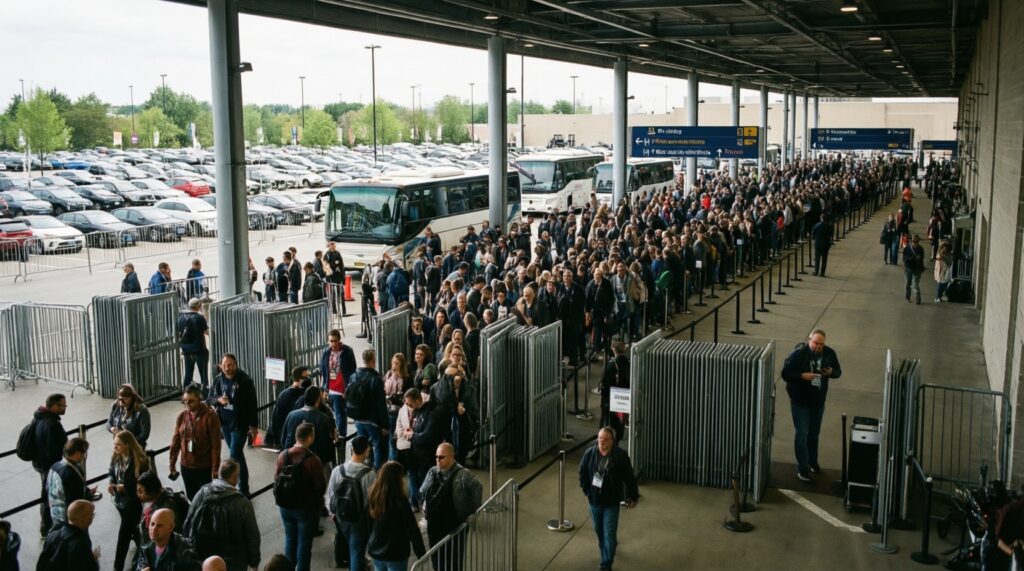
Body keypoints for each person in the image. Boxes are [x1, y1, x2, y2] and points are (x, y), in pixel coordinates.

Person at [781, 329, 843, 481]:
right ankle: (802, 469)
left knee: (814, 434)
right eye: (816, 343)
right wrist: (802, 376)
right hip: (800, 402)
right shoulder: (798, 354)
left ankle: (812, 462)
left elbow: (838, 372)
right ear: (809, 340)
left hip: (818, 402)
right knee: (802, 435)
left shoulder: (829, 353)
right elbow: (785, 374)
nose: (818, 347)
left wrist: (831, 372)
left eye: (821, 344)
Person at [578, 427, 639, 571]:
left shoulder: (620, 456)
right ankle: (608, 549)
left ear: (613, 441)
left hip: (611, 502)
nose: (602, 441)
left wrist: (633, 496)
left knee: (609, 534)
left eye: (606, 439)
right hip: (594, 501)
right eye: (600, 438)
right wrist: (587, 492)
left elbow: (629, 479)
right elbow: (582, 473)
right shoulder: (590, 453)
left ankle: (606, 564)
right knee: (599, 532)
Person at [183, 460, 261, 571]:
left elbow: (188, 521)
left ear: (219, 474)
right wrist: (254, 561)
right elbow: (252, 536)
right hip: (234, 563)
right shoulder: (242, 503)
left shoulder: (202, 493)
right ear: (234, 478)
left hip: (206, 560)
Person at [420, 443, 482, 571]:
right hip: (435, 526)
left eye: (441, 457)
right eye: (436, 457)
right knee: (437, 559)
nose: (438, 460)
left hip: (455, 526)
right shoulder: (432, 472)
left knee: (454, 560)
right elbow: (422, 491)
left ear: (451, 457)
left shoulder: (463, 475)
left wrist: (471, 511)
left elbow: (477, 487)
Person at [274, 422, 327, 571]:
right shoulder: (313, 460)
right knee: (304, 543)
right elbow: (320, 486)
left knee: (290, 538)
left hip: (285, 505)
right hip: (305, 507)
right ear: (309, 438)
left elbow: (276, 478)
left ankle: (288, 568)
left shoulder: (283, 455)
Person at [207, 354, 258, 495]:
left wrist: (254, 426)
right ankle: (244, 486)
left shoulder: (245, 381)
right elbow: (209, 398)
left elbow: (252, 404)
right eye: (224, 365)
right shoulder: (218, 379)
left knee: (234, 456)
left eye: (229, 365)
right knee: (238, 456)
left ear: (235, 364)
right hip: (225, 424)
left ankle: (235, 488)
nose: (227, 368)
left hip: (240, 425)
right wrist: (219, 400)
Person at [367, 461, 426, 570]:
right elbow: (412, 529)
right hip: (397, 552)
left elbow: (369, 522)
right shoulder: (401, 502)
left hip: (377, 550)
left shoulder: (373, 495)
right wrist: (421, 553)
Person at [328, 436, 376, 571]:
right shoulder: (370, 474)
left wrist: (334, 514)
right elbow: (372, 500)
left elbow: (330, 494)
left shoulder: (337, 470)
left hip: (341, 517)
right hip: (359, 520)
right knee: (356, 552)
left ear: (352, 449)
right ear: (366, 450)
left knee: (350, 546)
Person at [169, 384, 222, 500]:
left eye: (191, 401)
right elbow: (175, 442)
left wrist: (215, 470)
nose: (187, 404)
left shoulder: (210, 417)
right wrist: (172, 464)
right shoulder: (182, 416)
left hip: (204, 467)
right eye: (185, 401)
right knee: (191, 498)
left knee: (205, 499)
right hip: (186, 466)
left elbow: (216, 446)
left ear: (199, 399)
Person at [108, 431, 149, 571]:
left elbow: (143, 486)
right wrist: (111, 482)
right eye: (114, 444)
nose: (115, 447)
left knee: (123, 536)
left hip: (132, 503)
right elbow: (111, 471)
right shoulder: (116, 456)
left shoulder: (140, 461)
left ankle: (117, 567)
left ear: (127, 444)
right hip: (120, 501)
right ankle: (143, 546)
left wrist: (125, 488)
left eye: (118, 444)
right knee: (134, 529)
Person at [30, 393, 68, 538]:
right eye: (62, 405)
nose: (65, 408)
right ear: (54, 406)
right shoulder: (52, 424)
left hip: (40, 463)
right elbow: (55, 449)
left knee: (45, 494)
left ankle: (45, 527)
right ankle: (46, 528)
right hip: (50, 465)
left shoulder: (39, 418)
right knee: (48, 496)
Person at [347, 349, 389, 470]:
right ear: (373, 361)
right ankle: (376, 473)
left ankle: (361, 469)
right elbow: (381, 404)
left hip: (358, 417)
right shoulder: (376, 379)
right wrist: (385, 425)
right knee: (377, 446)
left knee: (362, 445)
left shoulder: (353, 376)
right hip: (372, 419)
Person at [136, 471, 190, 556]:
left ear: (151, 490)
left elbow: (173, 533)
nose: (138, 494)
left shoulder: (167, 506)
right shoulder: (157, 500)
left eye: (141, 491)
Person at [282, 386, 338, 467]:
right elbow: (327, 447)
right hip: (316, 464)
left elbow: (283, 440)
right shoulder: (324, 419)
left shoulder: (291, 415)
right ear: (318, 399)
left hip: (291, 462)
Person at [37, 500, 100, 571]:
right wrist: (93, 559)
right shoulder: (81, 543)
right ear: (83, 518)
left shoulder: (52, 535)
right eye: (92, 514)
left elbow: (41, 564)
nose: (92, 517)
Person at [46, 437, 95, 530]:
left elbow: (48, 488)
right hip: (71, 521)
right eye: (84, 453)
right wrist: (88, 496)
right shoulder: (70, 474)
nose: (84, 456)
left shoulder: (55, 466)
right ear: (77, 453)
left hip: (56, 515)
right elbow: (75, 502)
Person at [134, 508, 201, 571]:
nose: (154, 529)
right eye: (152, 524)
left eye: (159, 526)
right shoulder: (146, 546)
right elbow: (139, 565)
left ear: (171, 527)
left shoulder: (184, 551)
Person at [321, 329, 357, 438]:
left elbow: (353, 370)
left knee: (340, 414)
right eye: (331, 341)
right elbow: (323, 370)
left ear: (339, 340)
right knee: (338, 414)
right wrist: (324, 388)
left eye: (335, 341)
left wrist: (348, 388)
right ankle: (339, 436)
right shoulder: (326, 353)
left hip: (342, 388)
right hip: (331, 388)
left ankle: (341, 437)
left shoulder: (347, 351)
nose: (333, 343)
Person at [267, 366, 312, 448]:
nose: (308, 380)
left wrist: (276, 438)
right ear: (299, 379)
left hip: (288, 437)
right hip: (300, 438)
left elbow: (275, 419)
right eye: (305, 377)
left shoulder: (283, 394)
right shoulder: (307, 395)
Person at [383, 353, 412, 462]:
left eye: (397, 363)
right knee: (391, 439)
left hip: (400, 411)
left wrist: (396, 398)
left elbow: (407, 396)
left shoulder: (406, 378)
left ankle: (396, 462)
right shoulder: (388, 374)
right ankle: (392, 461)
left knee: (398, 438)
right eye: (393, 363)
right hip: (389, 410)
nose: (394, 365)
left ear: (402, 365)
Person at [599, 341, 629, 443]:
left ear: (613, 349)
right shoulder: (628, 363)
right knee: (621, 419)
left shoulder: (611, 366)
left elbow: (605, 383)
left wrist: (604, 398)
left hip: (612, 397)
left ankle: (609, 440)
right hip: (624, 397)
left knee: (610, 420)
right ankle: (618, 438)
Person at [177, 298, 210, 389]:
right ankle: (204, 390)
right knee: (203, 373)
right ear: (199, 306)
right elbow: (207, 332)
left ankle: (186, 390)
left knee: (188, 373)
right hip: (199, 350)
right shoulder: (200, 317)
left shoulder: (181, 317)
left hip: (186, 351)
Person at [107, 384, 152, 448]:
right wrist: (111, 428)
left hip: (136, 447)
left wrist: (128, 443)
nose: (121, 402)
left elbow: (144, 434)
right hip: (119, 446)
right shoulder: (116, 405)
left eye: (125, 399)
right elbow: (109, 422)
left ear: (132, 398)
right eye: (120, 399)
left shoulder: (141, 410)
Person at [323, 241, 348, 315]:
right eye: (332, 245)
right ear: (329, 246)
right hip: (331, 278)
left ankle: (343, 310)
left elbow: (342, 265)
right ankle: (334, 310)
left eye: (334, 246)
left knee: (341, 294)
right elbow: (326, 267)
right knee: (333, 294)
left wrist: (343, 277)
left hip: (339, 277)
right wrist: (334, 270)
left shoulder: (337, 253)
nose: (334, 247)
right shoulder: (326, 255)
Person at [903, 234, 927, 305]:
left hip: (917, 269)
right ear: (911, 241)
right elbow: (904, 259)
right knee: (908, 283)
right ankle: (908, 296)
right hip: (909, 268)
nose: (915, 243)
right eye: (913, 241)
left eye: (916, 241)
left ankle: (917, 296)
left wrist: (922, 267)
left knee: (915, 284)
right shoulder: (907, 248)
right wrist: (912, 258)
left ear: (918, 241)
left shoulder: (920, 249)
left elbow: (922, 259)